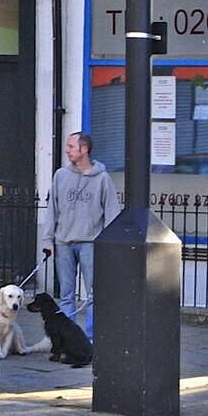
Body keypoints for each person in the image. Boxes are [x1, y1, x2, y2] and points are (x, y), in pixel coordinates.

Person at [41, 130, 119, 340]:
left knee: (93, 294)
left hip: (90, 244)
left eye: (71, 147)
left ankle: (92, 338)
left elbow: (112, 214)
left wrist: (107, 246)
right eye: (67, 146)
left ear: (84, 149)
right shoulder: (61, 175)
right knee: (66, 295)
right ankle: (69, 339)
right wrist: (48, 240)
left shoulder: (103, 179)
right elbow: (52, 210)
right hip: (63, 242)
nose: (67, 151)